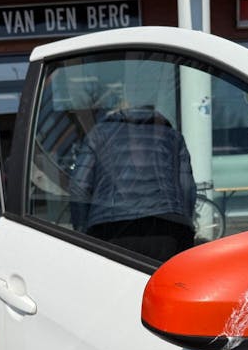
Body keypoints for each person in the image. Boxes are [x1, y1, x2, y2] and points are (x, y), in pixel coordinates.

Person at [70, 105, 196, 261]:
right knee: (160, 275)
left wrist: (82, 230)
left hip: (110, 229)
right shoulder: (172, 136)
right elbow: (186, 187)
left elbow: (79, 186)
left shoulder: (98, 134)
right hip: (166, 227)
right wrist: (184, 222)